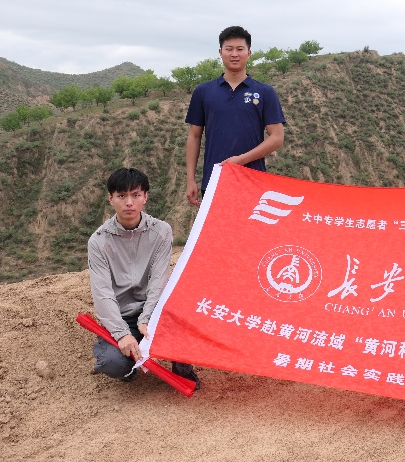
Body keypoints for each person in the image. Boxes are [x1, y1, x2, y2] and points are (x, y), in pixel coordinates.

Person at [88, 167, 199, 386]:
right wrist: (121, 334)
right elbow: (103, 294)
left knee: (189, 320)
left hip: (156, 309)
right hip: (122, 315)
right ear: (111, 199)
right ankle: (127, 367)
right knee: (112, 362)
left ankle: (182, 367)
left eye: (136, 195)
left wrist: (147, 318)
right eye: (121, 196)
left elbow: (159, 280)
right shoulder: (98, 242)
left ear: (145, 197)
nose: (129, 202)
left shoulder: (161, 232)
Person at [185, 26, 286, 205]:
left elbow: (277, 138)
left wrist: (239, 161)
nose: (234, 54)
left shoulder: (264, 92)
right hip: (214, 180)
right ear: (220, 52)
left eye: (240, 49)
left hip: (254, 181)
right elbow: (194, 136)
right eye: (229, 49)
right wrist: (190, 179)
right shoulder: (203, 91)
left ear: (249, 53)